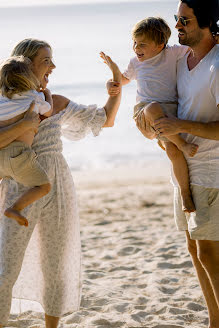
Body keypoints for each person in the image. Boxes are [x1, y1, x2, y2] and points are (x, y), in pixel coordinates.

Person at [0, 39, 121, 328]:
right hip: (21, 186)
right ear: (27, 64)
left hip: (58, 187)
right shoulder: (5, 104)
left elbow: (104, 120)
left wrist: (116, 89)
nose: (53, 66)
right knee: (6, 268)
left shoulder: (58, 103)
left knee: (55, 266)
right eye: (46, 60)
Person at [140, 0, 219, 326]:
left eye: (185, 20)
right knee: (194, 252)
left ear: (206, 23)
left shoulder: (217, 64)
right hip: (185, 172)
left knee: (209, 255)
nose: (178, 26)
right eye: (176, 19)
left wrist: (180, 128)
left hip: (212, 173)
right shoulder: (180, 59)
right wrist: (156, 130)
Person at [101, 17, 197, 213]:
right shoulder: (136, 63)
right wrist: (112, 81)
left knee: (173, 153)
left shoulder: (172, 53)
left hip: (169, 111)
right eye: (134, 42)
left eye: (142, 44)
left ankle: (185, 194)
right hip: (145, 111)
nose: (136, 47)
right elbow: (123, 80)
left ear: (161, 45)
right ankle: (182, 144)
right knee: (154, 108)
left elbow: (197, 48)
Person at [0, 55, 53, 226]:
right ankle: (15, 208)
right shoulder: (33, 97)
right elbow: (48, 112)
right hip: (19, 154)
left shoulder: (1, 99)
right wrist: (48, 95)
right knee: (43, 186)